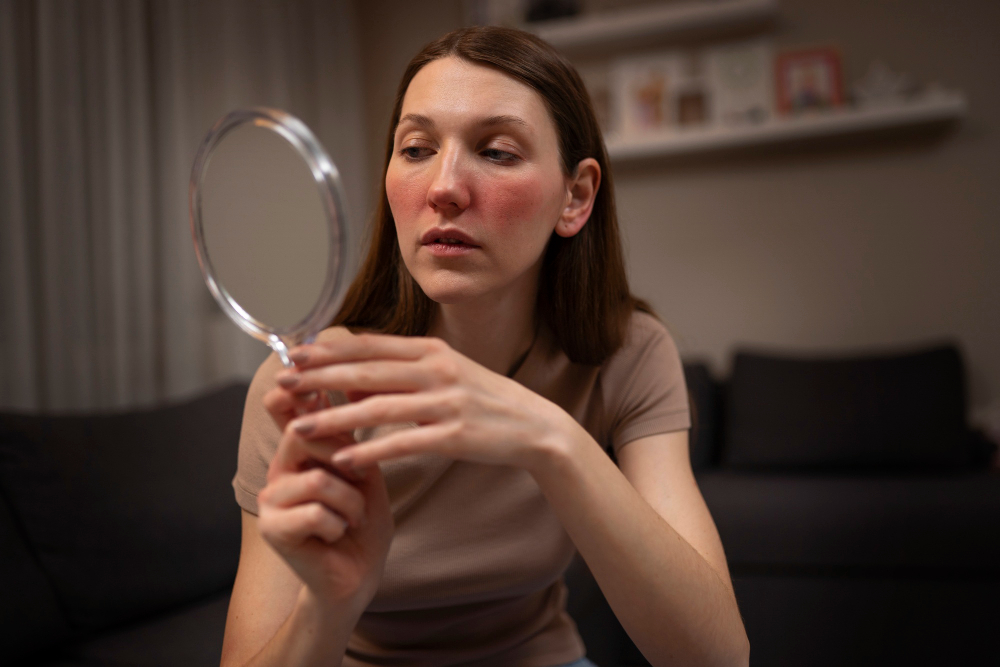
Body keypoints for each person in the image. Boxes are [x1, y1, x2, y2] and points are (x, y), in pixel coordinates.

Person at [220, 26, 749, 667]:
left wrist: (551, 442)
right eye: (416, 148)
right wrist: (330, 603)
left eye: (496, 152)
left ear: (575, 196)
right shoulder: (311, 387)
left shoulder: (628, 352)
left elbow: (718, 657)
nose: (443, 186)